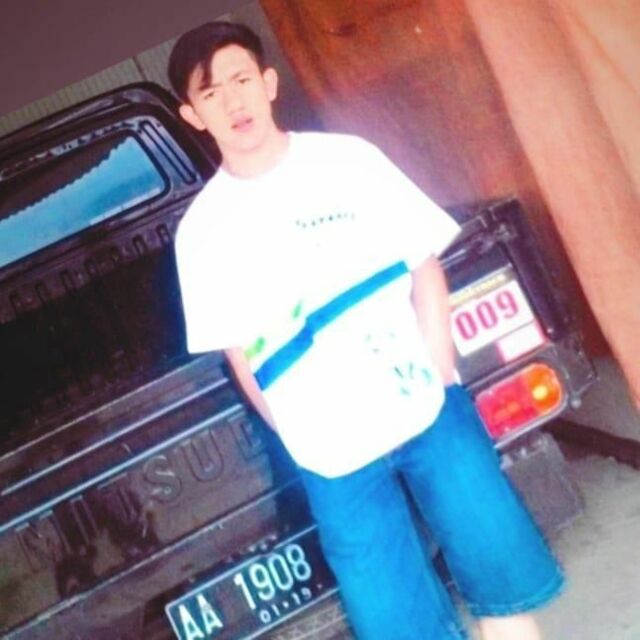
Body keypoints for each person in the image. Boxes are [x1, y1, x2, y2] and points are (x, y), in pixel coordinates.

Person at [168, 21, 564, 640]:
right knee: (395, 619)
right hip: (332, 453)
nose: (233, 102)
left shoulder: (346, 161)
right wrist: (297, 434)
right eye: (211, 93)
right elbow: (239, 351)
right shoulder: (202, 232)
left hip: (427, 406)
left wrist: (441, 370)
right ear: (193, 115)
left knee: (500, 578)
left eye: (241, 80)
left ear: (269, 83)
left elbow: (423, 265)